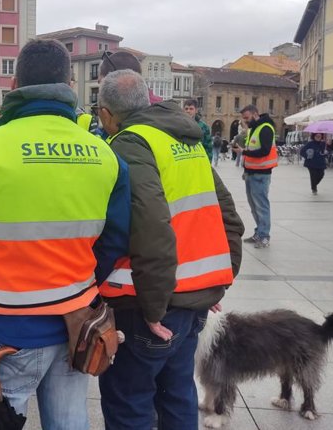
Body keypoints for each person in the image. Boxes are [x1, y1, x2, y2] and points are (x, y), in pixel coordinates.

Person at [0, 39, 131, 430]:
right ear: (69, 88)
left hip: (7, 325)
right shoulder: (105, 154)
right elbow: (117, 239)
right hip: (78, 321)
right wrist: (80, 285)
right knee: (70, 421)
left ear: (14, 86)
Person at [95, 69, 243, 430]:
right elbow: (229, 217)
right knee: (177, 396)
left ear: (105, 114)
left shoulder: (130, 143)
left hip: (147, 301)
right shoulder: (185, 139)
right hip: (191, 300)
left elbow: (150, 227)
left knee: (129, 403)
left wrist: (154, 307)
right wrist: (217, 282)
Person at [233, 104, 277, 249]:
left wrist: (244, 152)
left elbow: (263, 151)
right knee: (254, 206)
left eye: (247, 118)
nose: (245, 121)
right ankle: (259, 232)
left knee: (261, 206)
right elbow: (252, 148)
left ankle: (264, 236)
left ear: (255, 114)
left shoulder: (265, 128)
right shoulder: (254, 128)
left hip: (261, 174)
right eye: (243, 119)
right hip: (251, 172)